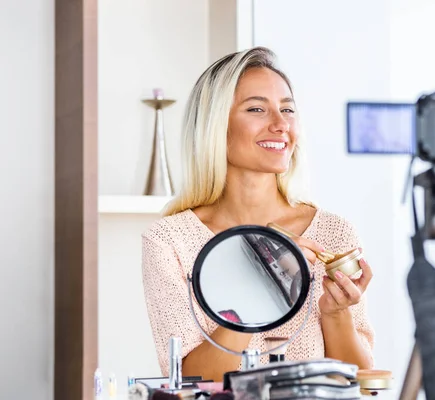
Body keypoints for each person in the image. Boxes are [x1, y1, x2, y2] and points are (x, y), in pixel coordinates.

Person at [141, 46, 375, 382]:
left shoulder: (333, 234)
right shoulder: (170, 241)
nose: (281, 125)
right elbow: (190, 379)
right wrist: (260, 283)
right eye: (256, 109)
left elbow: (360, 383)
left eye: (288, 110)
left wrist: (335, 314)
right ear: (216, 126)